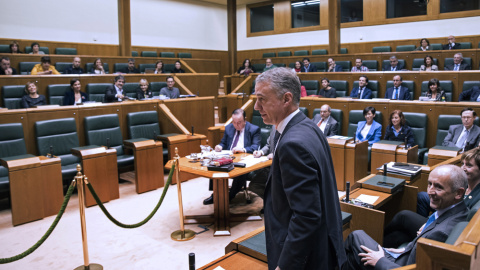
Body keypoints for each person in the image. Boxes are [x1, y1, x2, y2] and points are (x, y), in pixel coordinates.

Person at [254, 67, 346, 269]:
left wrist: (285, 265)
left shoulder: (292, 144)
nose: (255, 106)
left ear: (286, 99)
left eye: (261, 99)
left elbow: (306, 216)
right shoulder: (307, 126)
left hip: (307, 258)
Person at [344, 165, 468, 270]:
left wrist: (380, 260)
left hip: (396, 266)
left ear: (458, 193)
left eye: (438, 187)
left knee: (356, 236)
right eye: (429, 184)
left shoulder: (441, 233)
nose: (430, 191)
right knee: (354, 256)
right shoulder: (459, 211)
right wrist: (403, 250)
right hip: (403, 257)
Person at [203, 109, 261, 205]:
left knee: (241, 170)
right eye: (234, 122)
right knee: (214, 164)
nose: (236, 125)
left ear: (245, 119)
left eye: (239, 122)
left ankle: (231, 195)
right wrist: (220, 146)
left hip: (244, 159)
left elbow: (256, 146)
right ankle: (215, 194)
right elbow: (224, 143)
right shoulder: (229, 128)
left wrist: (243, 149)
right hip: (229, 157)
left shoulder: (254, 129)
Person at [250, 128, 275, 199]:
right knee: (254, 185)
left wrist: (276, 155)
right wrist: (260, 152)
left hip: (281, 169)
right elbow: (268, 145)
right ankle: (270, 204)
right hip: (269, 167)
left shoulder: (291, 128)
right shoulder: (274, 127)